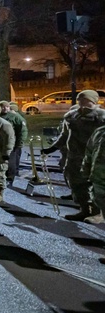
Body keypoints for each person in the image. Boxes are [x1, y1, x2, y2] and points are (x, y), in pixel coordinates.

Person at [43, 89, 105, 221]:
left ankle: (97, 213)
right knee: (76, 183)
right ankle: (84, 209)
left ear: (94, 101)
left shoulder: (101, 117)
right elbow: (64, 135)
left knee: (95, 186)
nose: (82, 104)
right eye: (80, 100)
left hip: (95, 158)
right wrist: (52, 148)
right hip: (74, 156)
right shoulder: (71, 116)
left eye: (86, 101)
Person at [0, 100, 27, 185]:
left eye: (6, 107)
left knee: (11, 161)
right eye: (2, 107)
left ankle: (10, 178)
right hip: (0, 143)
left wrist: (20, 142)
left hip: (11, 142)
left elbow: (22, 130)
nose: (5, 108)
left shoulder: (15, 117)